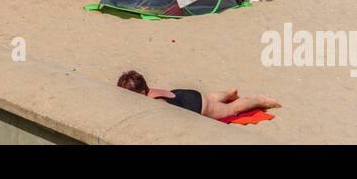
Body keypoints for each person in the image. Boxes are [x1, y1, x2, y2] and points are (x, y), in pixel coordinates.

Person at [116, 70, 280, 120]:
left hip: (197, 106)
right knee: (210, 99)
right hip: (184, 95)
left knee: (232, 109)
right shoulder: (148, 90)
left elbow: (170, 119)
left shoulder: (154, 102)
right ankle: (228, 93)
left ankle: (260, 100)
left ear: (141, 93)